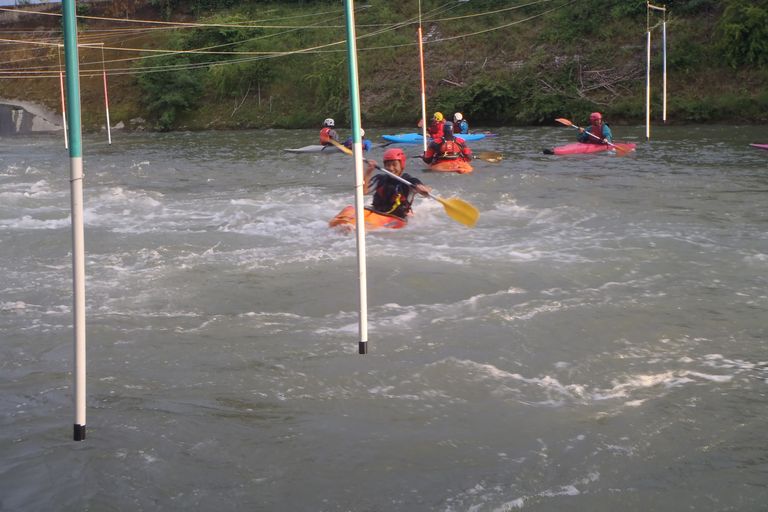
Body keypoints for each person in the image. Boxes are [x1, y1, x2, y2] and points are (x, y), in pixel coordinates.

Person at [364, 147, 431, 219]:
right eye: (388, 165)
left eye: (394, 164)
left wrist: (423, 189)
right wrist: (368, 171)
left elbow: (424, 191)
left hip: (398, 218)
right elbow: (363, 191)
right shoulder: (380, 179)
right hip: (376, 212)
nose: (390, 168)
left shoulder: (409, 181)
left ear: (401, 165)